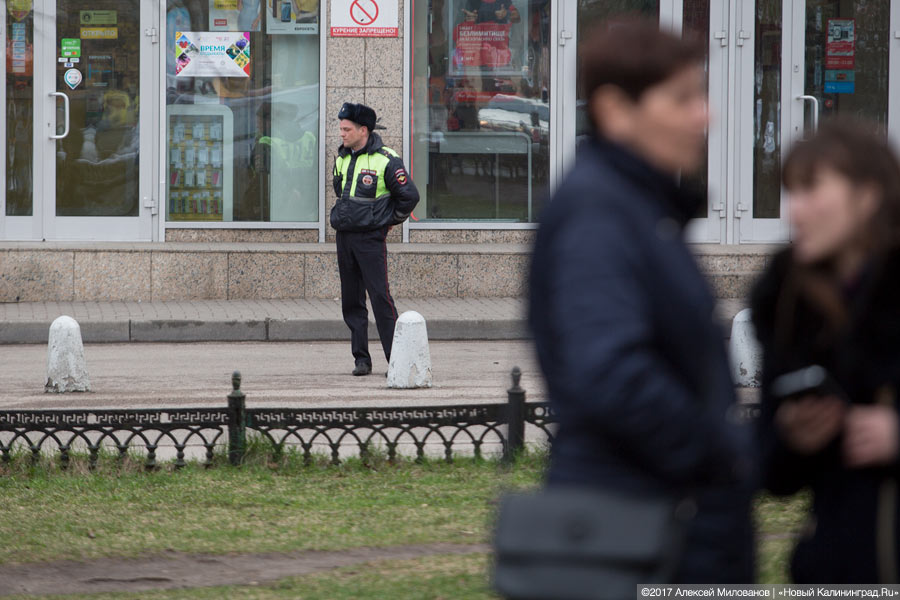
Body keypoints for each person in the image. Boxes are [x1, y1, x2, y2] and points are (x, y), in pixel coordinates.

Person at [528, 21, 755, 583]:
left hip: (665, 519)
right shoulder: (600, 213)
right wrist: (723, 452)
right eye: (682, 99)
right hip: (638, 530)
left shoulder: (636, 206)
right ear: (616, 110)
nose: (705, 116)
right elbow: (610, 371)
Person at [751, 120, 900, 583]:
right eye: (791, 193)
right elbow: (773, 470)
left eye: (812, 191)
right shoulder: (788, 303)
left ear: (867, 196)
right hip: (841, 563)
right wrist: (792, 439)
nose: (796, 211)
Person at [331, 103, 419, 376]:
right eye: (341, 129)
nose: (342, 134)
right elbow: (339, 189)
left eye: (347, 129)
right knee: (351, 301)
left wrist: (387, 222)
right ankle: (361, 359)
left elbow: (410, 197)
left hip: (370, 239)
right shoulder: (343, 157)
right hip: (345, 237)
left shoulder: (386, 159)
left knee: (380, 298)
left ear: (363, 130)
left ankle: (396, 359)